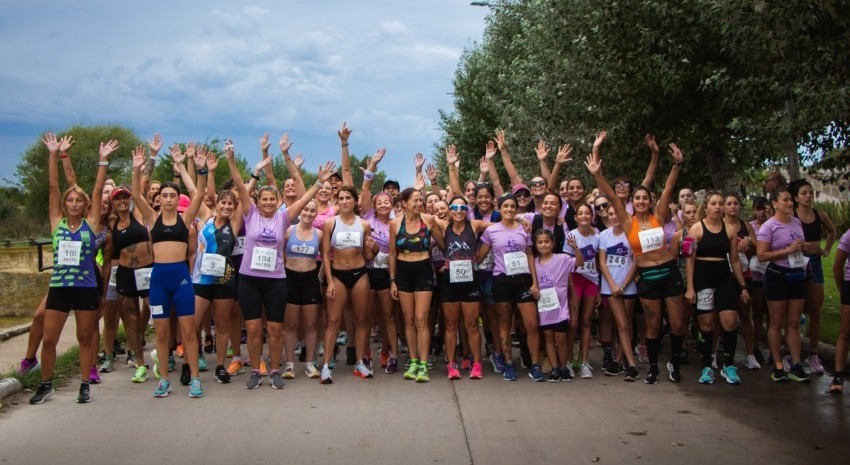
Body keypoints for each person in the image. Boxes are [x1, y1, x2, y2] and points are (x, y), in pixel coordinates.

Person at [227, 138, 335, 390]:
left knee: (275, 329)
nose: (267, 203)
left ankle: (275, 369)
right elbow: (242, 190)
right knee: (253, 330)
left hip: (276, 280)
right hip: (250, 280)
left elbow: (305, 197)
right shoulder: (249, 213)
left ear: (277, 202)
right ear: (258, 201)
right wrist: (231, 160)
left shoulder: (284, 217)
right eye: (263, 199)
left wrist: (319, 182)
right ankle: (256, 369)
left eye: (271, 200)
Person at [585, 131, 686, 385]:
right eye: (637, 198)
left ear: (649, 201)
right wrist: (597, 174)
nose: (641, 201)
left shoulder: (658, 217)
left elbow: (669, 187)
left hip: (669, 272)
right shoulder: (627, 221)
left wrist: (677, 164)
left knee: (676, 324)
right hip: (647, 277)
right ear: (633, 202)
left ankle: (674, 361)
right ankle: (653, 368)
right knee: (651, 326)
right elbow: (608, 193)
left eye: (644, 198)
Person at [28, 134, 115, 405]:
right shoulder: (57, 223)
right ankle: (45, 384)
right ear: (64, 205)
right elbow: (54, 186)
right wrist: (53, 154)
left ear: (85, 205)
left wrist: (103, 162)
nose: (74, 204)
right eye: (70, 201)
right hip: (60, 288)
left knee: (86, 337)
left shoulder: (92, 223)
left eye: (79, 200)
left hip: (86, 287)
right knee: (50, 338)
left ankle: (84, 384)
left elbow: (100, 190)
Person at [131, 142, 208, 398]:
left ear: (177, 199)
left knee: (188, 332)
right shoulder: (152, 220)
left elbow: (199, 195)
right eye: (163, 195)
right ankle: (164, 379)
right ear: (158, 199)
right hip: (159, 281)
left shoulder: (186, 220)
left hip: (182, 280)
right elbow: (135, 194)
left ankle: (195, 378)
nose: (167, 199)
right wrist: (137, 169)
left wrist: (200, 169)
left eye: (172, 195)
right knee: (162, 335)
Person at [685, 192, 749, 385]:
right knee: (705, 324)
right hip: (703, 278)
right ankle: (706, 365)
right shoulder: (696, 229)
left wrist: (743, 286)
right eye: (714, 203)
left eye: (721, 203)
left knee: (729, 321)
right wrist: (690, 287)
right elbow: (689, 260)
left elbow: (735, 260)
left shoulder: (730, 230)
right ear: (706, 206)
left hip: (724, 276)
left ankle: (728, 365)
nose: (718, 207)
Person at [476, 194, 541, 381]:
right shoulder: (491, 231)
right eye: (506, 206)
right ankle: (509, 363)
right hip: (502, 281)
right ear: (500, 207)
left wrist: (535, 282)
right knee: (504, 325)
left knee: (531, 324)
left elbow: (530, 256)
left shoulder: (524, 229)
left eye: (513, 206)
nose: (510, 210)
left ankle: (535, 364)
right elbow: (480, 257)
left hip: (523, 281)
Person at [191, 150, 243, 384]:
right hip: (201, 280)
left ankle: (221, 365)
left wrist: (246, 171)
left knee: (222, 325)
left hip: (224, 280)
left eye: (230, 203)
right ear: (217, 203)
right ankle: (191, 361)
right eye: (223, 202)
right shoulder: (205, 216)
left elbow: (243, 190)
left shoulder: (234, 222)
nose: (226, 206)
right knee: (192, 324)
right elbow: (200, 193)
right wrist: (203, 170)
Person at [319, 185, 374, 383]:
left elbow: (367, 255)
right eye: (340, 198)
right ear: (337, 201)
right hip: (338, 274)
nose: (344, 201)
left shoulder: (364, 224)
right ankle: (326, 365)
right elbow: (326, 254)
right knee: (333, 320)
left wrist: (374, 249)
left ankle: (360, 362)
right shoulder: (330, 223)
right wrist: (330, 281)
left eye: (348, 198)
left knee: (361, 319)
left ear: (354, 201)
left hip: (360, 274)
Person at [756, 186, 810, 383]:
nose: (790, 203)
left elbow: (801, 246)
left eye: (790, 200)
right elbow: (762, 255)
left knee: (794, 322)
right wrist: (787, 250)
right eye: (785, 200)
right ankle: (778, 365)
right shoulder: (769, 226)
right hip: (777, 276)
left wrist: (803, 248)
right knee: (776, 322)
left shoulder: (796, 222)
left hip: (796, 275)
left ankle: (796, 364)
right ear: (775, 203)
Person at [433, 196, 490, 379]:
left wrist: (521, 219)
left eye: (462, 207)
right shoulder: (443, 226)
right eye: (454, 207)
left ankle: (477, 364)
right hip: (449, 281)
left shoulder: (473, 225)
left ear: (467, 210)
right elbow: (423, 216)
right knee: (450, 325)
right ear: (449, 210)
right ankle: (451, 364)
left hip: (470, 281)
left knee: (472, 325)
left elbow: (499, 224)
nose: (458, 210)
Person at [390, 185, 442, 383]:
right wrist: (393, 280)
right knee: (408, 319)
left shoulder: (428, 220)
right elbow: (393, 254)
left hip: (423, 271)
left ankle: (423, 363)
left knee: (422, 319)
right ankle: (412, 361)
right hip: (403, 273)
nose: (419, 203)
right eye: (415, 200)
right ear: (404, 203)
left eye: (421, 200)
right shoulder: (395, 224)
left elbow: (443, 242)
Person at [791, 180, 836, 374]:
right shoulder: (791, 216)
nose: (808, 196)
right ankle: (791, 351)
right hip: (796, 263)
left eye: (810, 192)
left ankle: (814, 352)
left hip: (815, 264)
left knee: (816, 310)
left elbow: (832, 231)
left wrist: (825, 250)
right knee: (794, 311)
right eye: (804, 193)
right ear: (796, 197)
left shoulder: (820, 214)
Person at [597, 203, 641, 381]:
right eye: (611, 213)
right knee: (621, 323)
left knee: (626, 324)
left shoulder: (632, 234)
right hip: (610, 286)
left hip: (628, 285)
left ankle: (621, 361)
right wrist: (613, 284)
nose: (615, 216)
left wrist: (623, 284)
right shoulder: (604, 235)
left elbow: (636, 261)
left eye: (618, 213)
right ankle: (630, 364)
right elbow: (602, 262)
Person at [282, 200, 323, 379]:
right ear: (300, 211)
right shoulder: (289, 231)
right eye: (305, 209)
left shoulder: (320, 234)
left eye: (312, 210)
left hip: (310, 280)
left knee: (311, 325)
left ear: (316, 214)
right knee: (290, 324)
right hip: (290, 279)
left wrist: (320, 278)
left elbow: (328, 258)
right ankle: (289, 365)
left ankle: (310, 364)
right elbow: (279, 254)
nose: (308, 213)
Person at [534, 229, 579, 382]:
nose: (543, 245)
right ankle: (554, 368)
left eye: (546, 241)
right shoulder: (534, 262)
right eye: (540, 242)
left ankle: (563, 366)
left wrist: (576, 248)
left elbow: (579, 263)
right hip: (544, 307)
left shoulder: (563, 258)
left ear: (552, 243)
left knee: (561, 337)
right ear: (535, 245)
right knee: (548, 337)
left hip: (560, 307)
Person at [563, 203, 601, 379]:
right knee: (573, 323)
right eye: (581, 213)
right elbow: (568, 264)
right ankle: (568, 360)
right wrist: (570, 289)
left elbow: (600, 261)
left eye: (588, 213)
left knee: (586, 322)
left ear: (592, 217)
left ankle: (584, 361)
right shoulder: (571, 235)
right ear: (576, 217)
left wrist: (599, 287)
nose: (584, 216)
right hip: (575, 280)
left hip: (592, 280)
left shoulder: (597, 235)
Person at [723, 193, 759, 370]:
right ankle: (717, 353)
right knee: (721, 316)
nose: (732, 206)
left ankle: (750, 354)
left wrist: (749, 241)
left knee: (745, 315)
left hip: (745, 274)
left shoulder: (745, 225)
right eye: (729, 203)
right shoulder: (719, 225)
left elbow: (757, 247)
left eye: (735, 203)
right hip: (724, 275)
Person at [748, 197, 771, 365]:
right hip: (755, 273)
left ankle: (773, 349)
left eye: (765, 209)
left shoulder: (774, 225)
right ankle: (755, 347)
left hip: (773, 273)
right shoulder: (750, 227)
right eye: (759, 209)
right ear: (754, 210)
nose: (762, 212)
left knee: (772, 315)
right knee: (757, 313)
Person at [829, 227, 850, 393]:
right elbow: (837, 267)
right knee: (845, 331)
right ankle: (838, 375)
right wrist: (842, 291)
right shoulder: (848, 235)